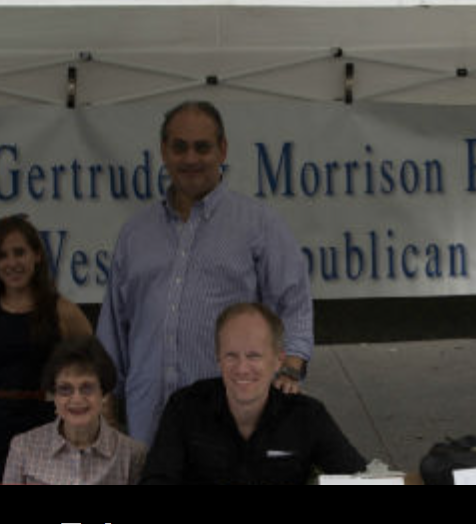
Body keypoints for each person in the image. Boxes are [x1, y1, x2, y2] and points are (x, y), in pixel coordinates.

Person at [97, 101, 314, 445]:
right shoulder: (135, 234)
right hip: (146, 421)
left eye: (202, 147)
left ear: (222, 150)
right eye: (179, 147)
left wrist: (289, 370)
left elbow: (295, 306)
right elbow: (114, 329)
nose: (191, 158)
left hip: (226, 421)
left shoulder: (259, 225)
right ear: (164, 152)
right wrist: (106, 404)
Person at [141, 303, 366, 485]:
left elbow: (362, 480)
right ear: (218, 358)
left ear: (278, 360)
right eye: (231, 355)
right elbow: (156, 479)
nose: (242, 368)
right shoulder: (185, 407)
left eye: (254, 356)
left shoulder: (307, 416)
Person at [0, 215, 93, 483]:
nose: (12, 263)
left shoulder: (63, 311)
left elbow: (96, 373)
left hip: (50, 426)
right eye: (2, 256)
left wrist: (88, 430)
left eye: (19, 252)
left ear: (37, 256)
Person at [3, 337, 147, 485]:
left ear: (103, 394)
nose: (77, 399)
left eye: (87, 388)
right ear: (54, 396)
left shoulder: (132, 455)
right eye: (65, 389)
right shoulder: (23, 448)